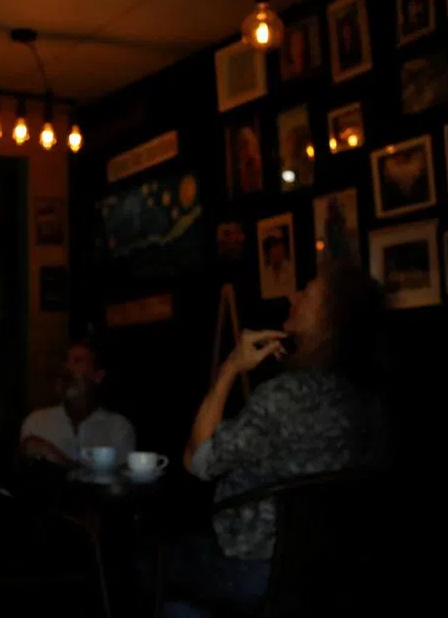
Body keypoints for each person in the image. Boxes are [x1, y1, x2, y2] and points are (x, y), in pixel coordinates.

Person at [163, 261, 388, 617]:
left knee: (150, 560)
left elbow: (197, 461)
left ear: (329, 323)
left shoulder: (284, 396)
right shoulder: (370, 402)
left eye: (307, 294)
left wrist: (231, 366)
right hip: (336, 572)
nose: (292, 296)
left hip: (256, 569)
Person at [19, 342, 136, 466]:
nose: (67, 368)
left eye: (78, 361)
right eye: (65, 362)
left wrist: (54, 455)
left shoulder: (119, 428)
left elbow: (121, 477)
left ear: (98, 376)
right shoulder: (36, 423)